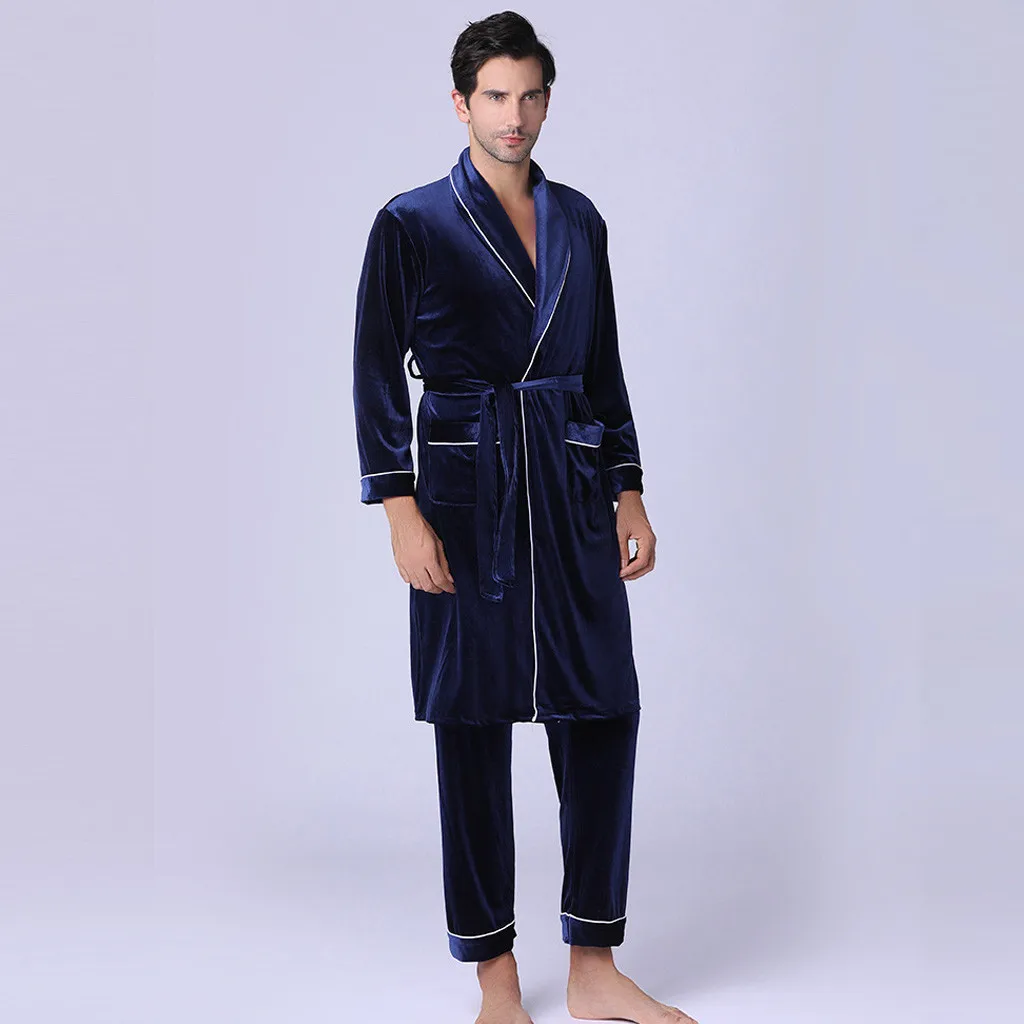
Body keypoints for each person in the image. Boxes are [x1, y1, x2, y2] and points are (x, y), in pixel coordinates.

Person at [352, 12, 695, 1024]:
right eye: (496, 96)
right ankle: (495, 976)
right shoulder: (411, 222)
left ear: (548, 100)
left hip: (571, 484)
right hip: (468, 497)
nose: (515, 115)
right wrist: (400, 510)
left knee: (604, 711)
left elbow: (602, 366)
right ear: (461, 104)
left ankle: (593, 965)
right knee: (470, 725)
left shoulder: (580, 220)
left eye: (530, 95)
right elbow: (374, 372)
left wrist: (628, 486)